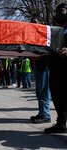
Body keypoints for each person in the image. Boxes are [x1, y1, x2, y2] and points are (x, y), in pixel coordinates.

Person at [44, 3, 67, 134]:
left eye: (61, 12)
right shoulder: (53, 29)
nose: (58, 14)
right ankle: (61, 124)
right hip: (55, 69)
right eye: (57, 12)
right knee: (58, 98)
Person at [30, 16, 51, 124]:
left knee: (44, 92)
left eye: (35, 22)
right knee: (39, 92)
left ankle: (46, 115)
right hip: (37, 67)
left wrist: (40, 57)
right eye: (31, 23)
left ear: (41, 24)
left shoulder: (45, 36)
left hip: (44, 67)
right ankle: (42, 113)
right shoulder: (33, 37)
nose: (33, 25)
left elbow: (49, 51)